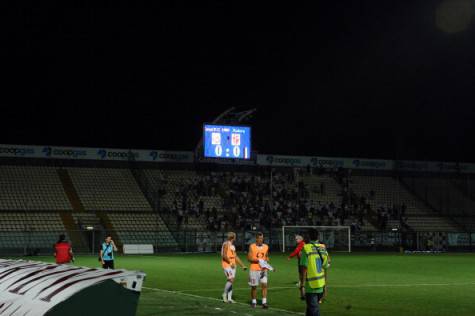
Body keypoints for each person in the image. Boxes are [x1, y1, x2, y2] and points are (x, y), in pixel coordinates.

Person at [301, 229, 331, 316]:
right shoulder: (323, 247)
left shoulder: (306, 248)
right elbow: (326, 267)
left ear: (309, 237)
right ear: (318, 236)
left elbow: (304, 268)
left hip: (311, 285)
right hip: (321, 284)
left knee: (314, 310)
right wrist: (325, 285)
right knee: (311, 309)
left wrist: (302, 285)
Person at [221, 232, 248, 303]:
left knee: (231, 281)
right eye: (235, 236)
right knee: (231, 280)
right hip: (227, 265)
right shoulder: (226, 244)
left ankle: (229, 298)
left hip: (233, 265)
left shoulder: (232, 246)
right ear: (233, 237)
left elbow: (235, 256)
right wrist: (230, 262)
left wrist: (242, 265)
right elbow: (224, 255)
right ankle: (224, 294)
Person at [247, 232, 272, 309]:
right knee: (254, 286)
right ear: (256, 239)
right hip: (254, 269)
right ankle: (254, 301)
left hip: (263, 270)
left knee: (264, 285)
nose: (261, 240)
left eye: (262, 238)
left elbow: (266, 256)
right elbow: (249, 258)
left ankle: (264, 302)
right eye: (260, 238)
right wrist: (259, 260)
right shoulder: (252, 246)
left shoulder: (266, 246)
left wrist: (267, 261)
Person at [287, 234, 306, 300]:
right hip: (301, 260)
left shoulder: (302, 244)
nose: (295, 240)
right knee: (301, 272)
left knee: (302, 272)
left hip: (302, 260)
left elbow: (296, 251)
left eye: (296, 239)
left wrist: (290, 256)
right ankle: (301, 282)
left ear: (300, 239)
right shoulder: (301, 244)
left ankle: (302, 284)